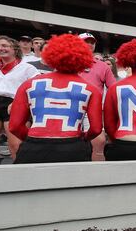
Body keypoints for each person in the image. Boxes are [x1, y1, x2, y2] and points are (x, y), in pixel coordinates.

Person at [9, 34, 102, 163]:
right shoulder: (91, 89)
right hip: (73, 145)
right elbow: (96, 128)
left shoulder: (29, 84)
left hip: (34, 145)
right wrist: (84, 138)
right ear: (83, 58)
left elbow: (14, 126)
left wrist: (32, 139)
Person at [0, 36, 39, 164]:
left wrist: (22, 102)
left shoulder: (28, 68)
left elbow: (35, 89)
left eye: (5, 46)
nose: (1, 48)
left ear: (14, 49)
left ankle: (22, 180)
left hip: (15, 104)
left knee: (16, 146)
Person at [78, 32, 116, 161]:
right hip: (71, 108)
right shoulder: (68, 61)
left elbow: (113, 88)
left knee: (98, 142)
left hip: (93, 109)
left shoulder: (103, 66)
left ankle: (98, 177)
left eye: (92, 42)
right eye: (86, 42)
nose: (89, 45)